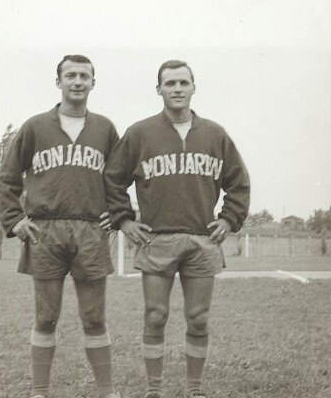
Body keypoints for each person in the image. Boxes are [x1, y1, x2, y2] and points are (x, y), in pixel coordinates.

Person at [104, 60, 250, 398]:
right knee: (156, 316)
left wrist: (229, 218)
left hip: (202, 239)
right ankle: (154, 390)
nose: (177, 88)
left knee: (198, 317)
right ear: (159, 89)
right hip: (157, 239)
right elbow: (113, 178)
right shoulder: (140, 133)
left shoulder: (214, 133)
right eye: (170, 83)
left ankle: (194, 390)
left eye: (184, 82)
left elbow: (238, 183)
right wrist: (124, 219)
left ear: (194, 87)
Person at [0, 55, 120, 398]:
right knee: (46, 316)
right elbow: (7, 177)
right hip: (45, 231)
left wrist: (118, 211)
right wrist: (14, 219)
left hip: (90, 230)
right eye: (70, 75)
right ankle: (39, 391)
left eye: (84, 76)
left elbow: (119, 177)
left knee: (94, 318)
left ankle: (107, 392)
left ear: (93, 83)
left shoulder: (105, 128)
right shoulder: (36, 126)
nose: (77, 81)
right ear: (59, 82)